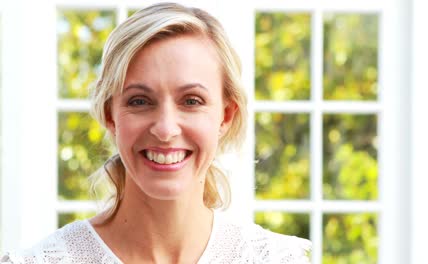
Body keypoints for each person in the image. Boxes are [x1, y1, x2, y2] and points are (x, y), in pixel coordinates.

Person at [1, 3, 312, 263]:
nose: (165, 129)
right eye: (140, 101)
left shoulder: (277, 258)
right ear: (111, 115)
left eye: (192, 101)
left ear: (226, 116)